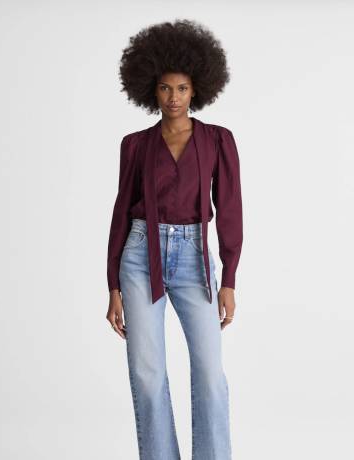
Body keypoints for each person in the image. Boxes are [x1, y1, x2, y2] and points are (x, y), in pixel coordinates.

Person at [106, 19, 243, 460]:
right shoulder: (135, 145)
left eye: (182, 88)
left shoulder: (218, 141)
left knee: (210, 374)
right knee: (147, 375)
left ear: (197, 88)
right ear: (152, 89)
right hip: (139, 257)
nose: (173, 98)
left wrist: (229, 279)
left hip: (195, 260)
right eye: (165, 88)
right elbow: (121, 213)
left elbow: (230, 210)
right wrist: (112, 286)